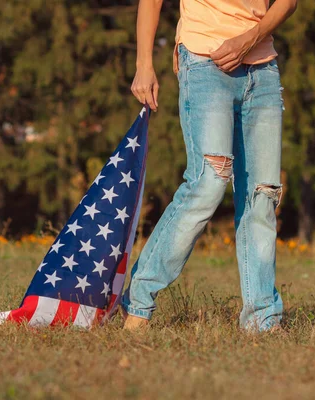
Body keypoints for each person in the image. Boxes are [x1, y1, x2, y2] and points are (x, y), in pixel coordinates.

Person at [122, 0, 298, 332]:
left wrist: (251, 37)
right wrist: (144, 63)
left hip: (262, 69)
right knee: (207, 183)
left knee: (262, 195)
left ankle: (263, 318)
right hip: (205, 62)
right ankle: (139, 300)